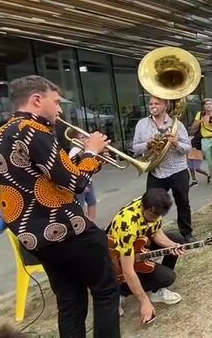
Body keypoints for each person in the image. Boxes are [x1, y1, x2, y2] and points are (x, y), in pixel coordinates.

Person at [0, 75, 118, 337]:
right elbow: (76, 183)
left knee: (69, 301)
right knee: (105, 291)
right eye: (56, 102)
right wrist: (92, 152)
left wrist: (87, 157)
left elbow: (47, 175)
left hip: (36, 238)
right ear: (37, 100)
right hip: (68, 229)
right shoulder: (36, 130)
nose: (59, 109)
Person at [107, 189, 186, 323]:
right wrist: (144, 301)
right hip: (118, 259)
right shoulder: (127, 226)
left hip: (138, 245)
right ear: (146, 208)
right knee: (168, 277)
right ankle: (120, 290)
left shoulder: (155, 208)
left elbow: (157, 234)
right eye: (154, 215)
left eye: (159, 216)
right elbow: (127, 270)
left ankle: (156, 290)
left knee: (176, 238)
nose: (156, 219)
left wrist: (173, 245)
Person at [133, 96, 195, 243]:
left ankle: (187, 233)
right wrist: (147, 145)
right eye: (150, 104)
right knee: (150, 204)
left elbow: (187, 148)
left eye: (156, 103)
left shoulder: (177, 124)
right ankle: (149, 235)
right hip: (156, 171)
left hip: (177, 170)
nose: (152, 106)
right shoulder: (142, 124)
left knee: (183, 203)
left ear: (165, 106)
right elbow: (135, 148)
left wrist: (176, 143)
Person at [190, 98, 212, 189]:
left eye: (210, 104)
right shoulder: (199, 115)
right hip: (204, 140)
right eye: (206, 104)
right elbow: (193, 127)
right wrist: (201, 120)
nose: (208, 105)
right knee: (210, 163)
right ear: (204, 106)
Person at [69, 133, 98, 222]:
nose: (85, 139)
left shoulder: (88, 150)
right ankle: (82, 224)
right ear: (76, 140)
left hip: (88, 180)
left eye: (86, 137)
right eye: (82, 137)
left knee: (92, 201)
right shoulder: (74, 151)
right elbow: (72, 169)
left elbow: (94, 168)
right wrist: (82, 185)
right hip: (78, 181)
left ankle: (92, 222)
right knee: (80, 204)